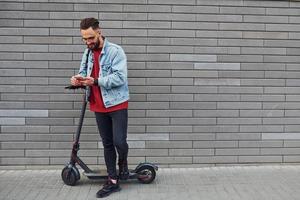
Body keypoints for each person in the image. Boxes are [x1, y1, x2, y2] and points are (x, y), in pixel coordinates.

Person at [70, 17, 129, 198]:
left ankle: (123, 163)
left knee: (119, 141)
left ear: (99, 32)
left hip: (117, 103)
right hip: (97, 105)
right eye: (84, 39)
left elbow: (120, 78)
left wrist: (96, 81)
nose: (88, 42)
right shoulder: (87, 52)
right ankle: (112, 180)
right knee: (107, 143)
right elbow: (84, 72)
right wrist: (77, 79)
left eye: (90, 38)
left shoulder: (115, 51)